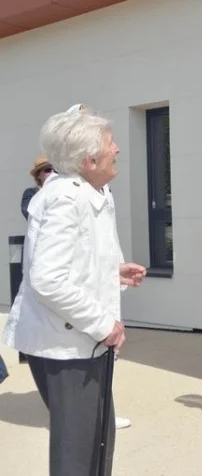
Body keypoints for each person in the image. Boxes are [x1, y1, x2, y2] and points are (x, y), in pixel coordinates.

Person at [2, 106, 146, 475]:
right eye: (110, 143)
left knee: (96, 441)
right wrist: (104, 324)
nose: (117, 149)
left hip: (79, 343)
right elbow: (48, 279)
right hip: (68, 346)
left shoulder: (84, 191)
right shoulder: (68, 196)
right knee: (79, 454)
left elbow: (71, 263)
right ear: (89, 160)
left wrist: (112, 272)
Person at [21, 154, 53, 219]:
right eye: (48, 170)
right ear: (38, 175)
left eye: (56, 170)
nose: (53, 173)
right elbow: (29, 214)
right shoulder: (31, 193)